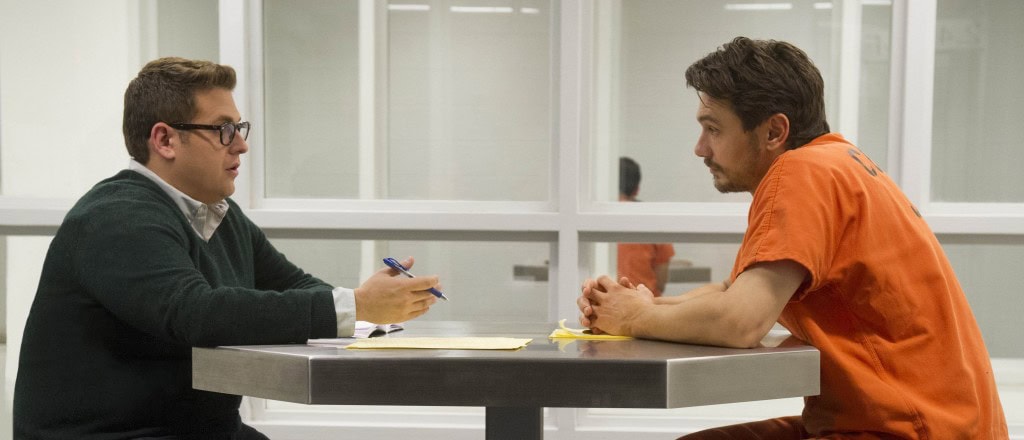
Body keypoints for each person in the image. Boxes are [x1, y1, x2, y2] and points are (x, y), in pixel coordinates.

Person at [577, 37, 1008, 439]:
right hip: (932, 422)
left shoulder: (801, 173)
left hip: (910, 429)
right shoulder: (839, 163)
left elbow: (740, 322)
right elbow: (734, 291)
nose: (700, 148)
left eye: (713, 129)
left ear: (773, 132)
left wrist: (633, 319)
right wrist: (638, 305)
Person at [13, 57, 442, 440]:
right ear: (165, 140)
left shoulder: (218, 214)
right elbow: (196, 313)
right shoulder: (116, 217)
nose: (241, 144)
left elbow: (293, 284)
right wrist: (357, 306)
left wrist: (368, 307)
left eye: (239, 128)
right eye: (223, 130)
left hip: (199, 430)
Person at [616, 156, 675, 297]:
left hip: (606, 303)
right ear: (636, 189)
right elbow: (661, 282)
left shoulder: (596, 219)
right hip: (647, 304)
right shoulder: (654, 221)